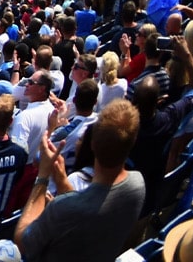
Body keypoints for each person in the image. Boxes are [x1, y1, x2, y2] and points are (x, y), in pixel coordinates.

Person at [14, 101, 146, 262]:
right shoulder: (137, 185)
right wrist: (61, 179)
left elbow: (22, 242)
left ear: (92, 144)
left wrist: (43, 176)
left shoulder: (62, 208)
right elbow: (91, 209)